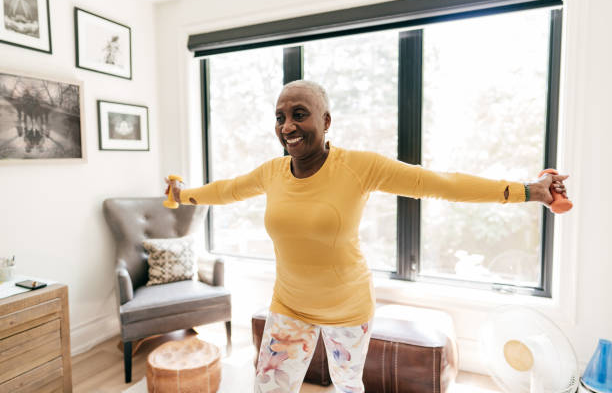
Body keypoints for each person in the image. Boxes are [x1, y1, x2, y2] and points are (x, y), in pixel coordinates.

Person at [165, 80, 569, 393]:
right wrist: (183, 195)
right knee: (268, 387)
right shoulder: (272, 172)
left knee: (348, 387)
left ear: (325, 121)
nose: (287, 126)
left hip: (348, 308)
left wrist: (527, 191)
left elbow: (440, 183)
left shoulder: (358, 167)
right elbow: (228, 189)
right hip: (289, 305)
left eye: (299, 114)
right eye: (279, 116)